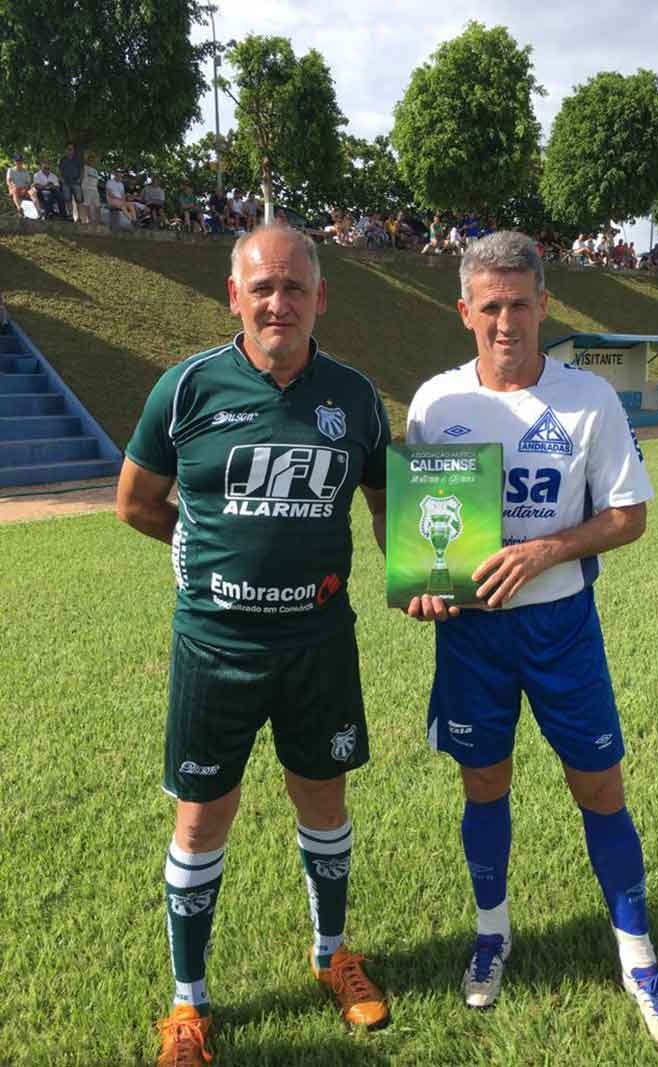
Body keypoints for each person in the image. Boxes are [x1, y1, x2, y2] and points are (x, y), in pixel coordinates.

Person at [404, 231, 658, 1052]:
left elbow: (628, 515)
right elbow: (427, 533)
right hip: (472, 636)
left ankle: (637, 955)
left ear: (544, 305)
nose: (506, 322)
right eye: (490, 306)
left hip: (561, 627)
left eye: (520, 304)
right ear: (465, 310)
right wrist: (425, 584)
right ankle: (492, 932)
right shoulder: (434, 404)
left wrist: (545, 550)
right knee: (483, 783)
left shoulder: (588, 399)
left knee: (599, 786)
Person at [117, 224, 391, 1066]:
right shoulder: (185, 388)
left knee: (324, 804)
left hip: (320, 642)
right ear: (234, 295)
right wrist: (196, 549)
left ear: (319, 296)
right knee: (201, 819)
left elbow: (388, 501)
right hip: (216, 648)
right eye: (262, 287)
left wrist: (428, 574)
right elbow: (135, 500)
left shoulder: (355, 396)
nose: (279, 302)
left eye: (294, 286)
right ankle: (188, 1003)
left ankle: (332, 954)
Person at [58, 143, 83, 222]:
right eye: (68, 149)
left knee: (79, 200)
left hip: (76, 182)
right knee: (68, 200)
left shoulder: (78, 159)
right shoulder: (62, 160)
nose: (70, 150)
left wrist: (80, 179)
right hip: (66, 182)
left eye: (71, 149)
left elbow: (82, 170)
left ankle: (79, 217)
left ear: (74, 150)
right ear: (66, 150)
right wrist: (62, 179)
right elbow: (60, 171)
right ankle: (71, 216)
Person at [80, 153, 102, 224]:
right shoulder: (85, 167)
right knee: (87, 205)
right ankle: (89, 220)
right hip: (87, 188)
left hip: (95, 189)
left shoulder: (95, 171)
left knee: (98, 205)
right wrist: (81, 187)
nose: (92, 162)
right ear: (88, 161)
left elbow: (97, 181)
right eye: (90, 160)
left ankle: (98, 221)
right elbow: (81, 177)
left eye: (93, 160)